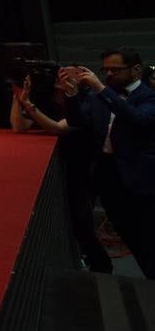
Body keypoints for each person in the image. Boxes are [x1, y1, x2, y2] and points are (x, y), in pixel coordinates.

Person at [64, 49, 155, 278]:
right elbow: (78, 120)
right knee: (128, 234)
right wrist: (72, 94)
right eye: (106, 70)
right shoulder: (100, 96)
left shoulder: (148, 96)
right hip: (108, 174)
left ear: (135, 70)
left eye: (116, 69)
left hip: (140, 178)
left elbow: (137, 119)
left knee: (148, 237)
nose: (109, 74)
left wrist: (101, 89)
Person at [11, 70, 112, 273]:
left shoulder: (86, 101)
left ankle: (102, 265)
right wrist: (18, 97)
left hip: (84, 168)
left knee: (80, 219)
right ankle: (87, 259)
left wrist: (29, 105)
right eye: (60, 73)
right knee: (74, 219)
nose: (62, 77)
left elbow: (57, 127)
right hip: (67, 165)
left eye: (69, 73)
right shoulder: (49, 100)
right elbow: (19, 126)